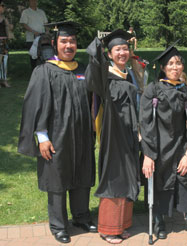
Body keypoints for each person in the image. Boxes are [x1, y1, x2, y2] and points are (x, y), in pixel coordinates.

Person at [18, 21, 97, 244]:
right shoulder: (44, 71)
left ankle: (81, 216)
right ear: (55, 44)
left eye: (72, 41)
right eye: (64, 41)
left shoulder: (83, 70)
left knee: (82, 176)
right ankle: (58, 225)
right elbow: (35, 106)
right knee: (57, 179)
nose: (69, 45)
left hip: (81, 135)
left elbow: (95, 100)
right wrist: (41, 138)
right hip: (56, 137)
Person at [139, 41, 187, 243]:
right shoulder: (153, 90)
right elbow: (146, 122)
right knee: (158, 180)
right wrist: (149, 154)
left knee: (184, 177)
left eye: (178, 63)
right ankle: (158, 220)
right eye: (170, 64)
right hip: (157, 147)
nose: (175, 67)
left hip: (181, 146)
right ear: (163, 68)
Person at [85, 29, 140, 244]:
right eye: (117, 49)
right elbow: (93, 72)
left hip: (129, 135)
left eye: (125, 49)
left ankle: (122, 224)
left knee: (128, 175)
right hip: (113, 135)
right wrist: (97, 46)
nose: (122, 53)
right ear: (109, 54)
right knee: (114, 176)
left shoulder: (130, 75)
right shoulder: (105, 78)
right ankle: (108, 228)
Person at [19, 0, 48, 71]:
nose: (34, 2)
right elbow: (24, 24)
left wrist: (47, 32)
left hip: (42, 38)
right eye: (32, 1)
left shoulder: (41, 12)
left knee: (43, 55)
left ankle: (43, 72)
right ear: (29, 2)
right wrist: (34, 32)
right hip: (31, 38)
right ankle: (34, 73)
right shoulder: (25, 12)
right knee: (33, 57)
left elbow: (46, 23)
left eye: (35, 1)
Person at [0, 0, 13, 88]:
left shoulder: (4, 17)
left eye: (4, 6)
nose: (4, 7)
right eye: (2, 5)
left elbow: (10, 29)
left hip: (4, 42)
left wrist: (10, 26)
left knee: (4, 62)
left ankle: (4, 80)